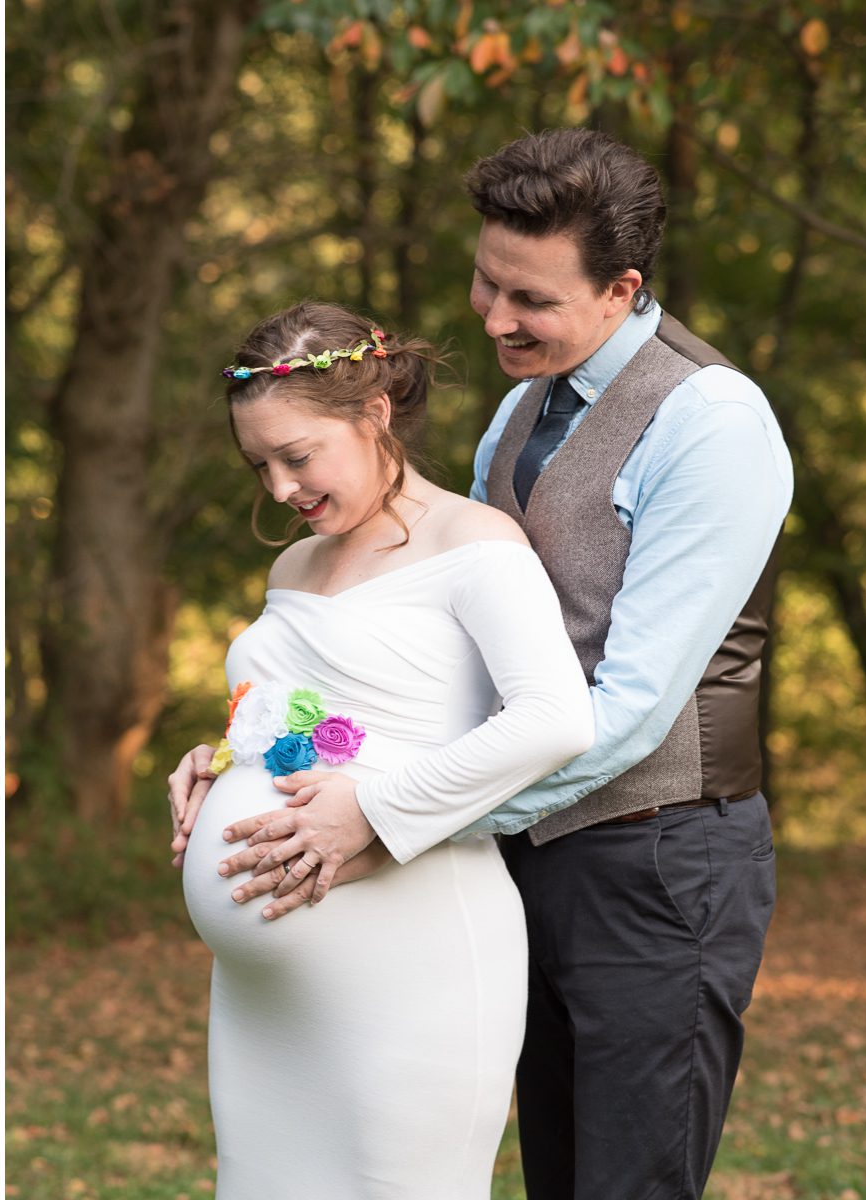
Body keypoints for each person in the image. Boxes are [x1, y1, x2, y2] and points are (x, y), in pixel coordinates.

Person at [171, 129, 790, 1200]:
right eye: (486, 282)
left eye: (531, 299)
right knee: (556, 1172)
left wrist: (391, 816)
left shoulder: (712, 421)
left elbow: (630, 707)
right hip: (527, 850)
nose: (496, 319)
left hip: (659, 856)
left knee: (630, 1181)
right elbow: (438, 656)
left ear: (622, 289)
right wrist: (254, 758)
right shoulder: (519, 410)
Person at [177, 299, 594, 1198]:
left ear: (374, 414)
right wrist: (221, 761)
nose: (280, 489)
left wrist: (372, 806)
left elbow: (555, 717)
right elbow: (309, 713)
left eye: (298, 456)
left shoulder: (475, 542)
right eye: (260, 466)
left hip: (414, 958)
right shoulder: (294, 565)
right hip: (264, 1001)